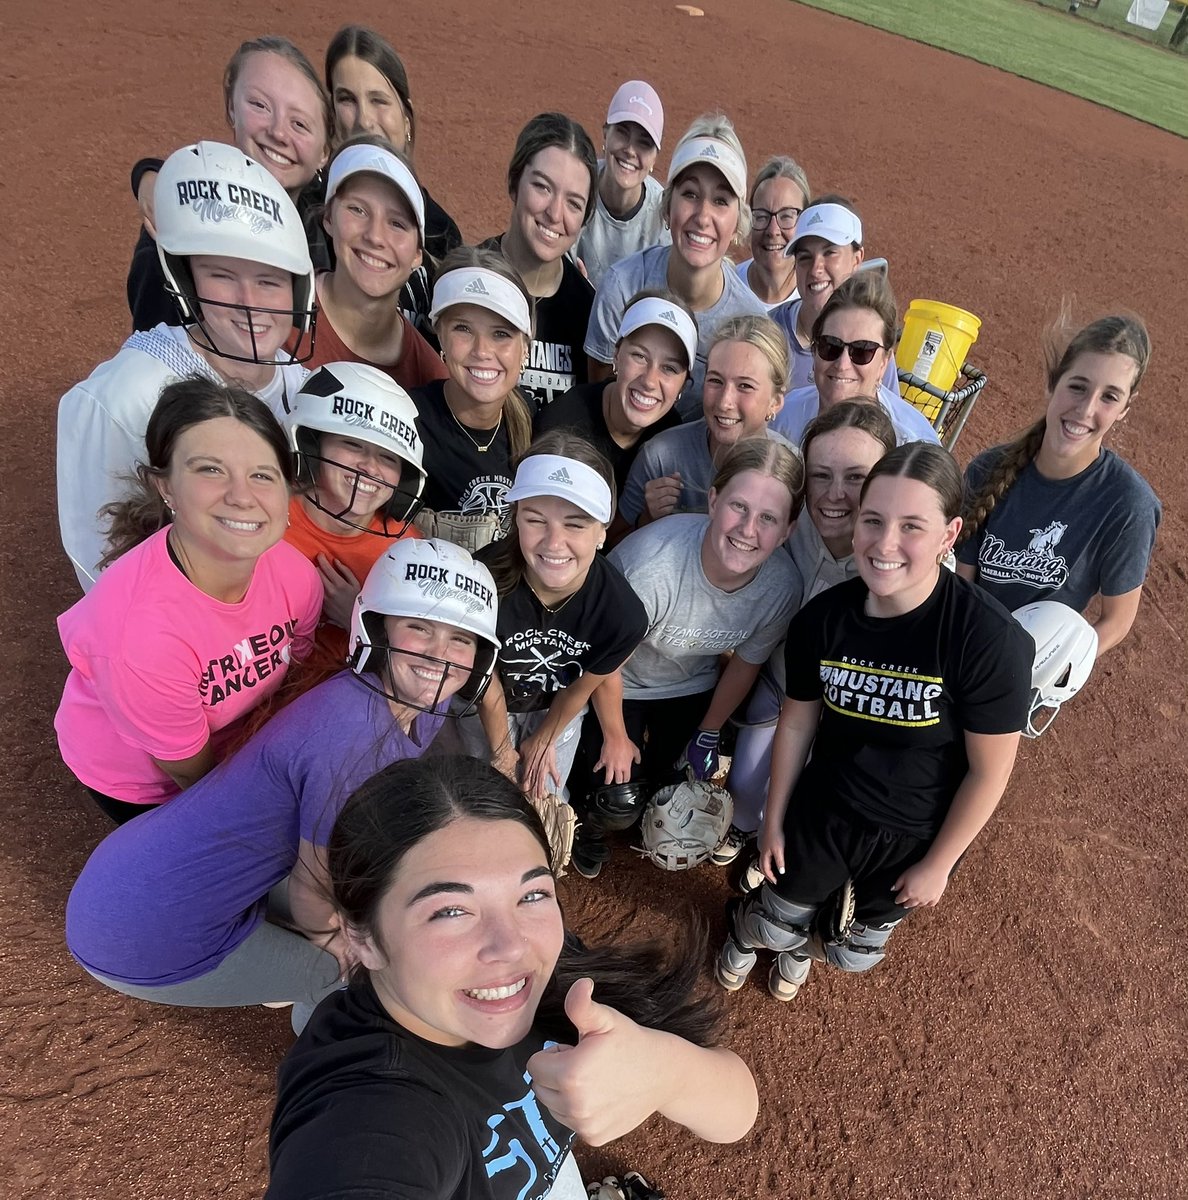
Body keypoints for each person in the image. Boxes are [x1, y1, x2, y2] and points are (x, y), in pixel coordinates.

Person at [265, 754, 758, 1198]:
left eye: (532, 895)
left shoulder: (562, 978)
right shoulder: (370, 1107)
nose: (512, 947)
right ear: (362, 937)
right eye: (450, 911)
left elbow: (738, 1111)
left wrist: (665, 1070)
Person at [64, 539, 501, 1035]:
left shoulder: (415, 696)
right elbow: (314, 892)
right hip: (136, 934)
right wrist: (340, 950)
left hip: (140, 873)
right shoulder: (350, 738)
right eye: (419, 628)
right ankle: (326, 1048)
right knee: (362, 973)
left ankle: (283, 961)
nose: (439, 654)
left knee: (371, 905)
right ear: (378, 629)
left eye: (461, 639)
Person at [717, 443, 1033, 1002]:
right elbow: (797, 724)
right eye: (873, 520)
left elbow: (989, 773)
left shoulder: (989, 639)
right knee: (774, 922)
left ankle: (800, 949)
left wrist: (940, 864)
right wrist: (773, 817)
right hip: (827, 811)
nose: (885, 544)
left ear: (949, 534)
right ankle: (750, 930)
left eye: (912, 526)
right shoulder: (823, 619)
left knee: (851, 951)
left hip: (916, 833)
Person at [55, 379, 322, 824]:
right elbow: (190, 774)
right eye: (210, 470)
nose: (242, 496)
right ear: (166, 487)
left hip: (230, 735)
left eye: (262, 474)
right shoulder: (140, 638)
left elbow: (294, 672)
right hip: (144, 781)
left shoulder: (297, 576)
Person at [60, 141, 315, 591]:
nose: (249, 302)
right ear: (186, 280)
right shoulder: (124, 396)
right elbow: (102, 564)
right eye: (222, 276)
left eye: (269, 281)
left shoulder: (304, 387)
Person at [569, 438, 804, 877]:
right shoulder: (652, 566)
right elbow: (605, 661)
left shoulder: (782, 587)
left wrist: (709, 732)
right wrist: (616, 734)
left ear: (788, 530)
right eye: (738, 506)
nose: (748, 529)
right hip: (618, 679)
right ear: (713, 500)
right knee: (615, 798)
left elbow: (746, 663)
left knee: (674, 788)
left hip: (690, 683)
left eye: (768, 518)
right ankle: (590, 823)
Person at [721, 402, 899, 862]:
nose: (835, 494)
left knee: (808, 804)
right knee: (743, 785)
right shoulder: (789, 521)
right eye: (821, 475)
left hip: (845, 709)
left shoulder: (894, 560)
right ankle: (743, 827)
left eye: (856, 478)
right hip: (779, 680)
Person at [957, 314, 1160, 655]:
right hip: (963, 648)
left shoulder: (1128, 504)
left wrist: (1058, 666)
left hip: (1032, 670)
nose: (1086, 409)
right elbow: (960, 580)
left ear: (1126, 407)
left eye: (1110, 397)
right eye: (1078, 387)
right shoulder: (988, 469)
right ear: (1053, 382)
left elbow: (1117, 620)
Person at [473, 434, 648, 799]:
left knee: (544, 796)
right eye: (536, 520)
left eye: (576, 524)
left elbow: (583, 685)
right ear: (516, 517)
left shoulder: (622, 614)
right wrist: (502, 751)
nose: (554, 543)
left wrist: (544, 737)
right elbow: (484, 679)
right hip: (484, 699)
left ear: (602, 530)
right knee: (481, 794)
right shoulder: (481, 580)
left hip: (557, 704)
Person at [127, 36, 332, 331]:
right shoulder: (180, 227)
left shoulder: (335, 219)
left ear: (325, 152)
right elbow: (157, 344)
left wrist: (147, 173)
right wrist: (156, 180)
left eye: (299, 124)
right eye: (259, 105)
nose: (278, 133)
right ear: (231, 109)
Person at [585, 114, 768, 421]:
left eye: (721, 200)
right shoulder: (622, 286)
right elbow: (599, 401)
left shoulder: (750, 323)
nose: (703, 216)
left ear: (738, 223)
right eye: (690, 194)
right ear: (667, 207)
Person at [283, 362, 427, 668]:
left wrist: (358, 616)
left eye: (388, 457)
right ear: (313, 444)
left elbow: (412, 666)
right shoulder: (269, 514)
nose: (370, 467)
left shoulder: (406, 549)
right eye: (352, 444)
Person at [293, 136, 447, 389]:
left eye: (397, 223)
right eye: (358, 210)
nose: (375, 236)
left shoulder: (430, 380)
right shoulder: (275, 315)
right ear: (329, 217)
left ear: (417, 254)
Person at [409, 247, 536, 552]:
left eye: (501, 334)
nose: (482, 351)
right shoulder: (409, 422)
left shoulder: (533, 420)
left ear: (525, 348)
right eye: (463, 329)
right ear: (440, 335)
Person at [617, 313, 789, 529]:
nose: (724, 402)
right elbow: (612, 541)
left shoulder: (791, 470)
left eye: (745, 386)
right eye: (716, 381)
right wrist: (647, 519)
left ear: (775, 402)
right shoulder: (661, 456)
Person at [486, 113, 599, 412]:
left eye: (574, 203)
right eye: (542, 187)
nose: (555, 214)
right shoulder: (467, 279)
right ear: (514, 183)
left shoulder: (588, 312)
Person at [324, 24, 463, 265]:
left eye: (378, 100)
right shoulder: (305, 209)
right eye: (347, 99)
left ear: (406, 119)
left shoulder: (439, 232)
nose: (364, 120)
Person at [535, 290, 696, 491]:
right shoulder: (561, 425)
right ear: (616, 355)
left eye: (669, 368)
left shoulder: (671, 436)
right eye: (640, 356)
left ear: (683, 385)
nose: (649, 381)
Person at [771, 272, 939, 447]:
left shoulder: (912, 443)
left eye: (862, 350)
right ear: (814, 350)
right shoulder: (784, 416)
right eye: (831, 345)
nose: (842, 364)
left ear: (884, 362)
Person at [771, 195, 899, 393]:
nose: (816, 269)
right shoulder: (767, 334)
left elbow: (888, 408)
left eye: (830, 253)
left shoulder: (871, 344)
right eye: (805, 257)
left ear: (857, 260)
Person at [574, 80, 671, 289]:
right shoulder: (574, 186)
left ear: (655, 158)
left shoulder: (665, 217)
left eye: (644, 143)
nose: (630, 150)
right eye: (622, 132)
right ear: (605, 134)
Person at [734, 156, 810, 311]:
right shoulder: (726, 288)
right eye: (762, 216)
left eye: (786, 216)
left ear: (806, 221)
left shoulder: (817, 299)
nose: (773, 231)